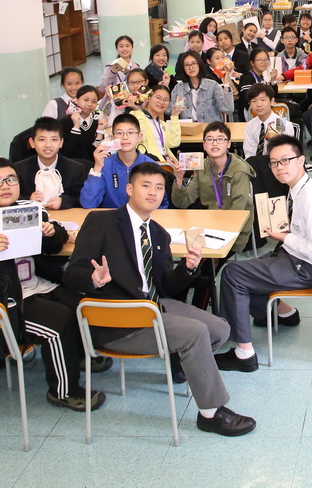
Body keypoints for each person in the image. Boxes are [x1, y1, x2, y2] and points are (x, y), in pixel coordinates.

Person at [65, 162, 255, 436]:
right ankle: (211, 413)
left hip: (152, 306)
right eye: (145, 186)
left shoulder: (158, 233)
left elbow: (165, 285)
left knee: (220, 329)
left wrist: (187, 268)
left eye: (159, 188)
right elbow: (72, 274)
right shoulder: (100, 222)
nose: (153, 192)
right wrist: (93, 279)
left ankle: (180, 358)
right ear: (129, 189)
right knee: (194, 333)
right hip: (118, 319)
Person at [0, 158, 107, 412]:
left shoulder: (28, 209)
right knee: (58, 324)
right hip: (1, 301)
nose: (6, 186)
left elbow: (54, 245)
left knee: (83, 306)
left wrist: (52, 233)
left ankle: (74, 356)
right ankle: (64, 391)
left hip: (36, 284)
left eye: (11, 179)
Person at [215, 135, 312, 373]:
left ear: (301, 160)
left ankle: (244, 354)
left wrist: (285, 237)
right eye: (274, 163)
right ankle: (284, 313)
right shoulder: (298, 189)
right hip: (296, 258)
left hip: (309, 268)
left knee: (233, 274)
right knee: (248, 269)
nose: (279, 167)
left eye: (285, 160)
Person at [170, 122, 255, 256]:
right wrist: (179, 179)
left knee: (200, 260)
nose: (214, 143)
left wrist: (214, 228)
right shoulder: (201, 167)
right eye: (209, 140)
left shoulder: (239, 170)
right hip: (208, 225)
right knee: (189, 256)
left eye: (220, 139)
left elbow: (237, 211)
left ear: (228, 144)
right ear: (204, 145)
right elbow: (182, 203)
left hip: (233, 230)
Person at [80, 114, 170, 209]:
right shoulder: (105, 164)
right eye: (119, 133)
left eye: (130, 133)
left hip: (143, 216)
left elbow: (161, 205)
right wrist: (97, 167)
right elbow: (88, 203)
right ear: (112, 137)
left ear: (139, 137)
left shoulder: (150, 166)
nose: (125, 137)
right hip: (113, 216)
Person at [15, 117, 88, 210]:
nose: (48, 145)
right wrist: (28, 200)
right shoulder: (20, 169)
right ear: (32, 142)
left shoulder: (75, 169)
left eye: (54, 140)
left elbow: (82, 198)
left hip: (64, 216)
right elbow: (13, 198)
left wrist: (63, 202)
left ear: (61, 142)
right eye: (42, 139)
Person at [172, 51, 234, 125]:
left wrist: (226, 84)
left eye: (194, 63)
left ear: (199, 64)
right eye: (187, 65)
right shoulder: (178, 88)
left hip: (210, 128)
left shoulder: (212, 85)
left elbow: (228, 108)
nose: (191, 67)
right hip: (188, 128)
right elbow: (168, 110)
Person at [133, 85, 184, 161]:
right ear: (149, 98)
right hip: (147, 162)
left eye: (166, 100)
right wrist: (137, 110)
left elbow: (174, 143)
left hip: (164, 162)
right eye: (158, 98)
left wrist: (174, 116)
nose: (161, 102)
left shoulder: (162, 124)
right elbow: (141, 137)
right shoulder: (135, 115)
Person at [59, 85, 108, 163]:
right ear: (76, 100)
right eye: (86, 100)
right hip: (71, 167)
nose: (90, 104)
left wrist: (100, 131)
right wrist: (76, 127)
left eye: (94, 101)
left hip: (93, 166)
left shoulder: (97, 124)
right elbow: (66, 152)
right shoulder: (64, 122)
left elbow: (99, 153)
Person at [242, 84, 292, 159]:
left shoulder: (282, 124)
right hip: (256, 163)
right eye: (254, 101)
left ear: (272, 101)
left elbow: (288, 153)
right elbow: (249, 153)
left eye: (263, 100)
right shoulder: (250, 125)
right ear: (250, 104)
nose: (259, 104)